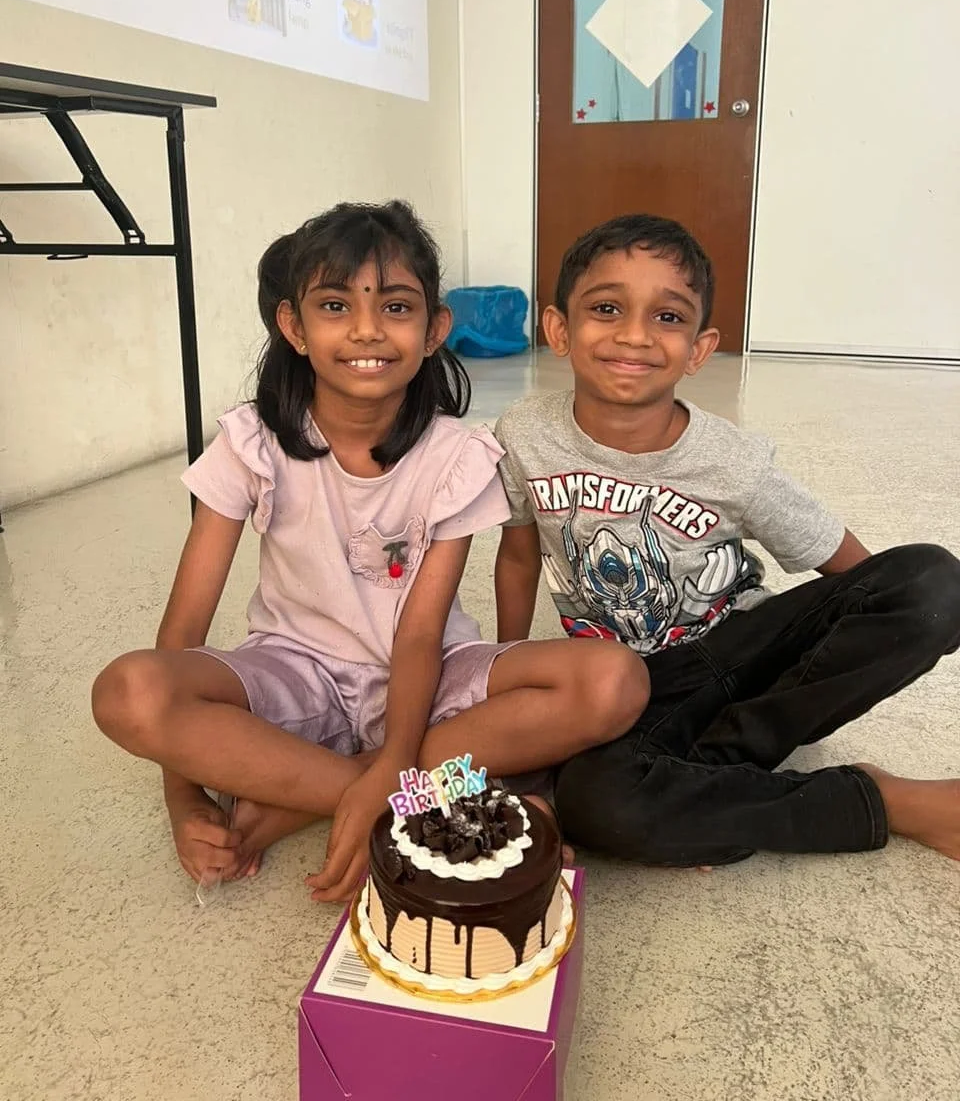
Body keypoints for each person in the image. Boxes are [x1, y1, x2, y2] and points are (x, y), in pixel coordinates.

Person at [92, 202, 648, 901]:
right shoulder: (250, 443)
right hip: (296, 674)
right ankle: (415, 792)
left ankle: (308, 792)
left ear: (433, 329)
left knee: (613, 682)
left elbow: (418, 635)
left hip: (431, 678)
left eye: (395, 306)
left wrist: (392, 759)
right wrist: (185, 802)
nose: (366, 330)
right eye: (335, 305)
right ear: (293, 326)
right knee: (129, 691)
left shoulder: (457, 455)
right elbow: (182, 633)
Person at [494, 213, 960, 868]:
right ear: (559, 330)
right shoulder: (523, 436)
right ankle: (880, 801)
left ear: (700, 348)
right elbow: (517, 558)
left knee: (932, 583)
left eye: (668, 318)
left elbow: (858, 573)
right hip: (634, 691)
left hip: (746, 648)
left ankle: (710, 788)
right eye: (607, 308)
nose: (635, 335)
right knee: (598, 804)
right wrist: (505, 679)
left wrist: (852, 643)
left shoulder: (732, 461)